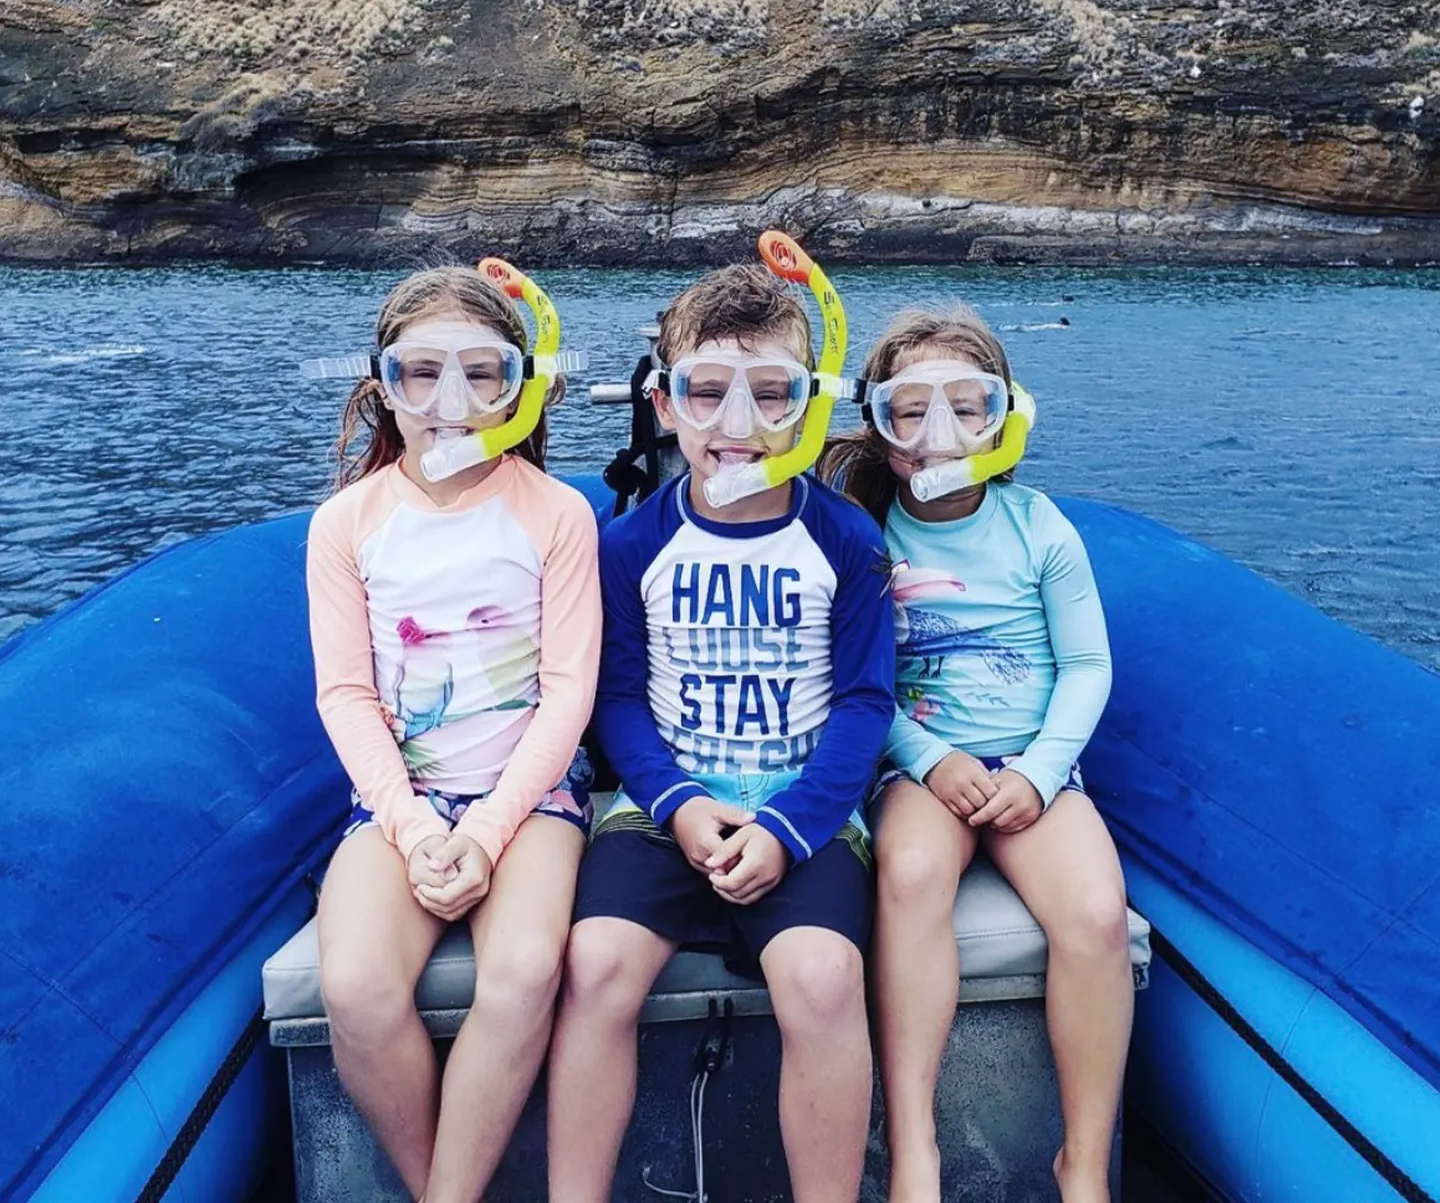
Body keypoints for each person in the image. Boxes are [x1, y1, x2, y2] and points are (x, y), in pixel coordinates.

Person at [546, 256, 895, 1203]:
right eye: (706, 394)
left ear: (807, 405)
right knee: (595, 964)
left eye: (770, 394)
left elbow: (866, 703)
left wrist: (791, 828)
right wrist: (680, 803)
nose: (736, 426)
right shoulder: (631, 544)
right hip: (667, 811)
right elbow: (617, 698)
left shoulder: (847, 540)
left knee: (823, 980)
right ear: (665, 404)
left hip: (806, 817)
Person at [303, 263, 601, 1203]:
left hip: (531, 799)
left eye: (484, 373)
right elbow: (347, 694)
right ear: (383, 387)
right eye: (419, 373)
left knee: (520, 973)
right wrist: (418, 826)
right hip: (401, 807)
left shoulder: (556, 515)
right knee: (353, 988)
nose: (451, 402)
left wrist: (484, 830)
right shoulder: (346, 524)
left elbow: (567, 693)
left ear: (520, 385)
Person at [822, 306, 1132, 1203]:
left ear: (1006, 418)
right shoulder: (860, 537)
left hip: (1035, 761)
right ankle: (914, 1143)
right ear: (879, 427)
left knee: (1097, 915)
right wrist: (925, 757)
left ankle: (1083, 1159)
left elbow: (1085, 664)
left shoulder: (1041, 529)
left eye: (968, 407)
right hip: (921, 760)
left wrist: (1038, 773)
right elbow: (850, 683)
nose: (938, 435)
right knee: (913, 874)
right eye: (908, 411)